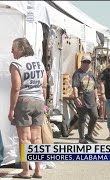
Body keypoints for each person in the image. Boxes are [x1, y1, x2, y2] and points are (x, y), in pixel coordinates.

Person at [8, 38, 47, 178]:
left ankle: (25, 171)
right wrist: (44, 102)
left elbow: (16, 87)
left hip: (24, 101)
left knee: (24, 138)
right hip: (39, 101)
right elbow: (44, 85)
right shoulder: (39, 63)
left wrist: (12, 108)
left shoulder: (16, 64)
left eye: (14, 48)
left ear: (22, 49)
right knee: (37, 138)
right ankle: (38, 170)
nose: (12, 51)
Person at [72, 54, 100, 144]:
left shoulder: (91, 74)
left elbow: (95, 87)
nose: (86, 64)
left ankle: (89, 135)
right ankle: (81, 138)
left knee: (95, 116)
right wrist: (76, 98)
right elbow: (75, 86)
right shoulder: (77, 74)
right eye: (85, 62)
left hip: (91, 100)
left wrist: (97, 98)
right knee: (82, 119)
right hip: (82, 99)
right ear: (81, 62)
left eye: (88, 62)